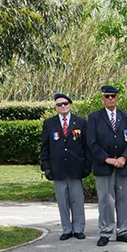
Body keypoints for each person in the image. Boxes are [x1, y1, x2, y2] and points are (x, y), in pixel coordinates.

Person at [87, 85, 127, 246]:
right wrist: (107, 159)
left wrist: (124, 157)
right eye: (107, 96)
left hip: (122, 165)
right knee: (105, 200)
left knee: (123, 200)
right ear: (102, 98)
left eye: (113, 96)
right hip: (104, 166)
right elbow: (91, 143)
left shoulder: (126, 117)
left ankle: (122, 231)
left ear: (117, 98)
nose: (110, 99)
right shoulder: (94, 117)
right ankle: (106, 232)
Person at [40, 94, 90, 240]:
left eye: (65, 103)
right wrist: (46, 167)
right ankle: (66, 229)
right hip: (58, 168)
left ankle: (79, 228)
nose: (63, 106)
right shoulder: (49, 123)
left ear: (70, 104)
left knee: (77, 201)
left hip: (76, 167)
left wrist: (87, 166)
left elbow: (86, 146)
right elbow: (45, 147)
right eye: (60, 104)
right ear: (56, 107)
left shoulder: (80, 122)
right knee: (62, 201)